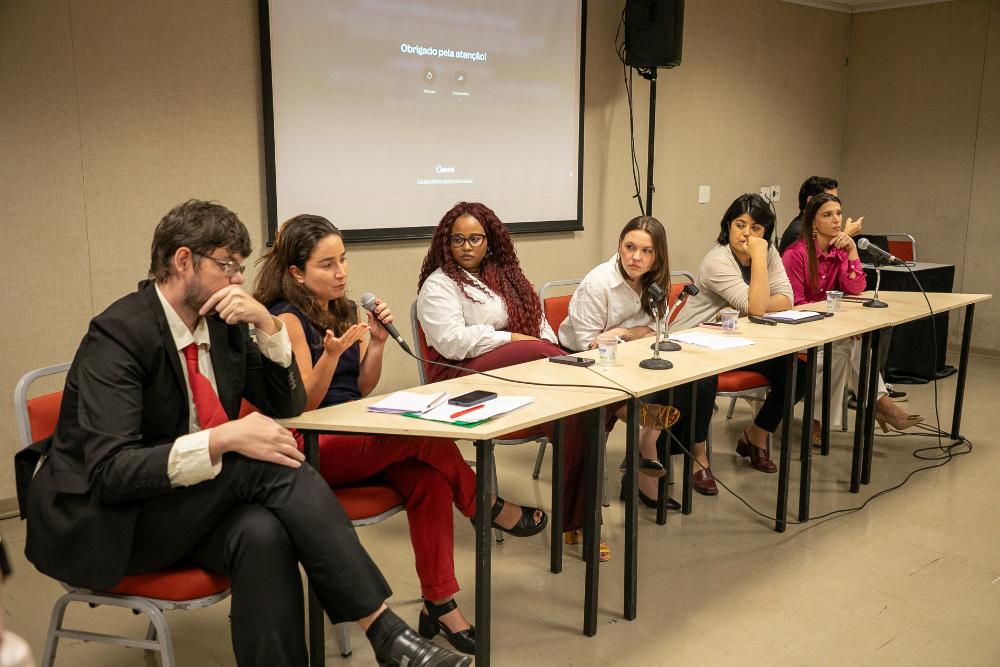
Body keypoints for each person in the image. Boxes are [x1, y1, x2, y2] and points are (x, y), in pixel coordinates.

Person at [18, 200, 469, 667]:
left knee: (263, 533)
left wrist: (268, 326)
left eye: (239, 268)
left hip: (191, 502)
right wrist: (223, 440)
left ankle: (378, 639)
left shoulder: (224, 325)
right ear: (184, 260)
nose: (238, 280)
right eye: (227, 266)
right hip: (115, 521)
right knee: (263, 462)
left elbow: (288, 405)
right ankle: (384, 629)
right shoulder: (118, 335)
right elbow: (112, 471)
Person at [254, 214, 546, 655]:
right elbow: (303, 406)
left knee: (428, 481)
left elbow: (360, 388)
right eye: (327, 265)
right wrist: (329, 357)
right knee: (422, 435)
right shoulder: (285, 320)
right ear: (296, 272)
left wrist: (376, 344)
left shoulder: (345, 309)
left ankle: (440, 606)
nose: (341, 272)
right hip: (311, 444)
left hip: (354, 432)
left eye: (343, 259)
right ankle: (484, 504)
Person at [416, 202, 647, 562]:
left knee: (578, 415)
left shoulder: (507, 276)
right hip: (461, 378)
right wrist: (513, 340)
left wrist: (539, 347)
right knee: (545, 355)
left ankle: (580, 524)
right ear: (446, 242)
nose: (466, 246)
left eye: (475, 238)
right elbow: (452, 343)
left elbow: (539, 327)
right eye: (457, 239)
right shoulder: (439, 284)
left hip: (520, 375)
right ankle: (618, 404)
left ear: (490, 241)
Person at [558, 216, 720, 498]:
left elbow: (658, 330)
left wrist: (625, 332)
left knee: (699, 382)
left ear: (657, 257)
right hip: (585, 363)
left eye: (646, 251)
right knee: (663, 390)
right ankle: (645, 453)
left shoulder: (655, 282)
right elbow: (590, 345)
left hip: (633, 358)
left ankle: (647, 444)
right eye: (630, 247)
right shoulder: (598, 284)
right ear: (619, 246)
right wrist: (637, 334)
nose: (636, 257)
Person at [672, 194, 806, 472]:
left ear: (765, 232)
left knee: (798, 371)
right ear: (728, 226)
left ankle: (755, 435)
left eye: (755, 228)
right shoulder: (716, 261)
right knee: (703, 381)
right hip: (696, 342)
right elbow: (755, 307)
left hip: (737, 343)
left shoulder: (768, 253)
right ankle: (698, 456)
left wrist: (754, 302)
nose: (746, 234)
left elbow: (787, 299)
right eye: (740, 225)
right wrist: (758, 262)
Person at [781, 194, 922, 439]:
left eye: (838, 213)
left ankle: (821, 420)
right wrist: (836, 325)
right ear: (812, 222)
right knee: (847, 346)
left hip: (829, 333)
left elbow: (855, 288)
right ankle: (879, 406)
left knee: (849, 346)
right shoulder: (796, 254)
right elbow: (795, 305)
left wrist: (853, 250)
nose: (837, 220)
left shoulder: (840, 251)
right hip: (798, 333)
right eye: (828, 215)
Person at [777, 176, 863, 255]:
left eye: (835, 199)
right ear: (810, 201)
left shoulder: (818, 227)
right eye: (829, 198)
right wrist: (846, 235)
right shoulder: (799, 231)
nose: (834, 203)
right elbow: (822, 260)